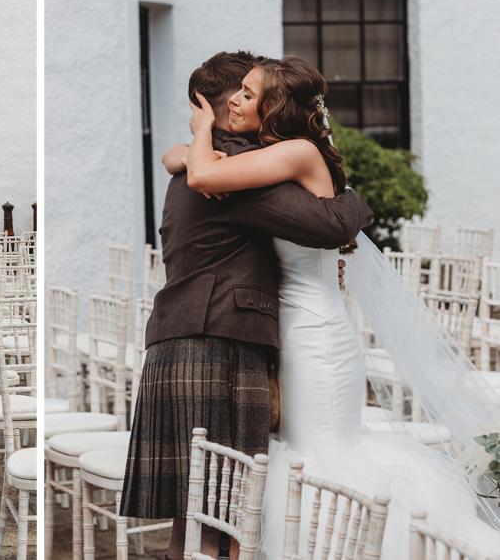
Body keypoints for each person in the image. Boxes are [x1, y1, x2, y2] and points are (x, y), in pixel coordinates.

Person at [165, 55, 500, 558]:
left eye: (248, 94)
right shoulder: (273, 157)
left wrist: (201, 129)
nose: (234, 100)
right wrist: (187, 145)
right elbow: (180, 160)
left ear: (274, 106)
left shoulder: (297, 152)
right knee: (300, 456)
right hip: (288, 327)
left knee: (322, 458)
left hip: (315, 333)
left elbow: (200, 174)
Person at [119, 52, 374, 560]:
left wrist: (193, 141)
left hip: (183, 336)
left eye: (251, 93)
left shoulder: (205, 163)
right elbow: (332, 224)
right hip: (219, 345)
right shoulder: (229, 171)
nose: (241, 100)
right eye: (241, 91)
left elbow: (185, 166)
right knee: (225, 520)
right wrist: (351, 199)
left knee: (194, 523)